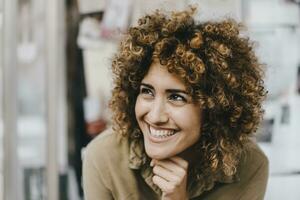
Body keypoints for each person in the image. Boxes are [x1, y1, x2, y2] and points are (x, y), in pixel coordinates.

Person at [83, 7, 269, 200]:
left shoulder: (250, 166)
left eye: (176, 97)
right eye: (147, 92)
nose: (155, 116)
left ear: (214, 108)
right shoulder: (104, 157)